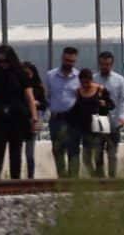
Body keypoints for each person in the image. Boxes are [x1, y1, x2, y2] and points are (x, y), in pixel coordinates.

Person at [0, 45, 38, 180]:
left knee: (16, 152)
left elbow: (30, 97)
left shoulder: (21, 75)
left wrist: (34, 116)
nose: (3, 64)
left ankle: (15, 180)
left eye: (6, 61)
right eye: (1, 61)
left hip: (18, 118)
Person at [68, 68, 115, 177]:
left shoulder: (100, 90)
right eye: (82, 82)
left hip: (99, 127)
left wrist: (105, 104)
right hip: (85, 129)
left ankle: (101, 178)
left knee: (98, 156)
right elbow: (74, 110)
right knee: (86, 158)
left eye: (87, 82)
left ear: (91, 80)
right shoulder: (78, 92)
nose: (85, 85)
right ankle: (94, 177)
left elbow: (112, 105)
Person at [45, 47, 82, 178]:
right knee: (58, 151)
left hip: (73, 121)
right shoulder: (50, 76)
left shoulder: (79, 77)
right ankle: (62, 179)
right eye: (67, 60)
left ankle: (73, 181)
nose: (69, 63)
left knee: (73, 151)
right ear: (62, 58)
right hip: (56, 119)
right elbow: (47, 97)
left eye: (72, 61)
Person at [93, 51, 124, 178]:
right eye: (103, 64)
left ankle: (112, 180)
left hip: (114, 122)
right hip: (98, 121)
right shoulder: (94, 79)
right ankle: (100, 179)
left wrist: (123, 116)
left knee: (112, 154)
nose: (105, 67)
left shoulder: (119, 80)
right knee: (97, 153)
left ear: (111, 64)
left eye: (107, 64)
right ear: (99, 64)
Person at [22, 61, 48, 179]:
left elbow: (44, 104)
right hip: (19, 120)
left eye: (28, 74)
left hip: (34, 120)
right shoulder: (18, 86)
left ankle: (30, 176)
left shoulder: (38, 87)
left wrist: (36, 103)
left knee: (29, 153)